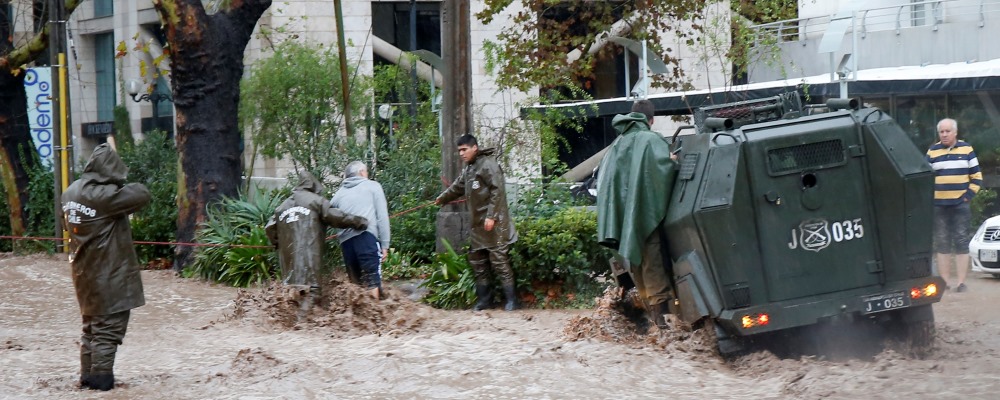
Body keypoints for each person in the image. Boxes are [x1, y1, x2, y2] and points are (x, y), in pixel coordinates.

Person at [62, 143, 152, 391]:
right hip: (109, 275)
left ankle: (86, 378)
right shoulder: (106, 197)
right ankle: (102, 383)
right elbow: (142, 193)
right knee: (108, 330)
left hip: (83, 273)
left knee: (90, 328)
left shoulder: (69, 193)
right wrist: (119, 181)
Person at [596, 99, 678, 329]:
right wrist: (672, 162)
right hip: (642, 213)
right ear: (651, 120)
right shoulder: (651, 139)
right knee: (651, 260)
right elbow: (662, 171)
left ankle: (652, 320)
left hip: (621, 217)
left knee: (636, 261)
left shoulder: (616, 144)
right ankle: (661, 322)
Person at [265, 171, 368, 319]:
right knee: (312, 292)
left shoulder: (282, 207)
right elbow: (337, 217)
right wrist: (359, 222)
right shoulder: (316, 201)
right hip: (310, 258)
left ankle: (288, 321)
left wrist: (277, 244)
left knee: (291, 292)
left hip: (288, 261)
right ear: (313, 184)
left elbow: (269, 228)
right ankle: (303, 325)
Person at [435, 134, 519, 311]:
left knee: (499, 262)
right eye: (459, 151)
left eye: (464, 149)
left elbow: (498, 191)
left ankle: (512, 301)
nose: (462, 154)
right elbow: (457, 187)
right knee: (478, 263)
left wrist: (492, 216)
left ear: (475, 148)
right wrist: (442, 199)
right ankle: (485, 300)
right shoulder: (469, 169)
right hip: (477, 225)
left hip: (494, 224)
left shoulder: (488, 164)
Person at [927, 118, 982, 293]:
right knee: (942, 242)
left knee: (961, 241)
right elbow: (925, 178)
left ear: (955, 132)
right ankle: (944, 282)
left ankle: (960, 282)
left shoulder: (967, 149)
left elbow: (977, 177)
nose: (944, 134)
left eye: (947, 131)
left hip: (960, 204)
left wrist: (967, 197)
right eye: (941, 132)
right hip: (939, 205)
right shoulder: (932, 151)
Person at [330, 161, 391, 299]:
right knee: (372, 279)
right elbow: (382, 216)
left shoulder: (339, 194)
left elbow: (328, 214)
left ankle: (358, 318)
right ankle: (374, 317)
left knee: (355, 284)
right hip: (366, 236)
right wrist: (385, 245)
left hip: (346, 242)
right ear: (362, 172)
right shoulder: (373, 186)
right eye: (367, 172)